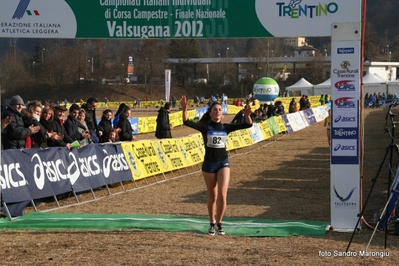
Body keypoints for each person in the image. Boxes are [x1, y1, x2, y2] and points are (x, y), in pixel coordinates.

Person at [180, 95, 253, 236]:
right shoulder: (205, 127)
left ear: (222, 113)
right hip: (209, 164)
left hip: (223, 162)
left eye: (219, 109)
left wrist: (248, 115)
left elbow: (248, 125)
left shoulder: (226, 127)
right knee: (212, 197)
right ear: (210, 113)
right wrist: (184, 109)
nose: (217, 111)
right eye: (214, 110)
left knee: (223, 195)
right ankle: (211, 223)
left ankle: (219, 223)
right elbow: (186, 122)